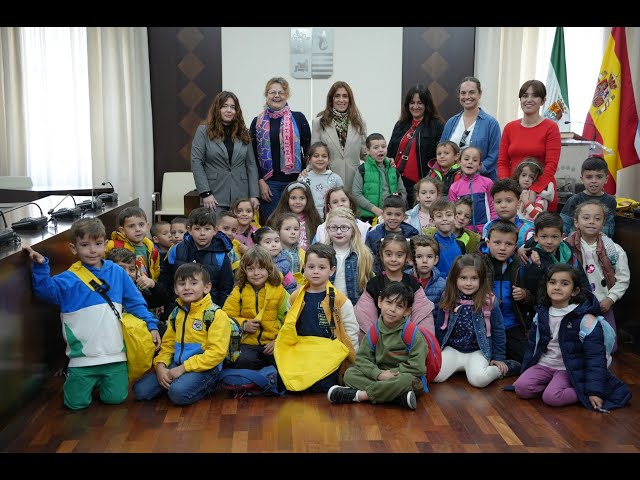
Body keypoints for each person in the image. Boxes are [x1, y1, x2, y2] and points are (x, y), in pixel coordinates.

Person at [24, 217, 161, 410]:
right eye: (85, 245)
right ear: (74, 248)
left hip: (115, 354)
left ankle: (100, 382)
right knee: (76, 404)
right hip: (82, 356)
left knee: (116, 398)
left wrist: (151, 324)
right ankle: (88, 381)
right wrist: (41, 267)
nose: (92, 250)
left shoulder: (117, 272)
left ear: (105, 245)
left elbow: (136, 302)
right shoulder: (68, 278)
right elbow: (46, 292)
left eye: (97, 244)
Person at [513, 264, 631, 412]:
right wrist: (526, 370)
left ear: (575, 291)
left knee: (552, 397)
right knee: (521, 387)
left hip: (569, 367)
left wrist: (593, 391)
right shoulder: (542, 313)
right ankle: (553, 384)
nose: (557, 287)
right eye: (552, 282)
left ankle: (580, 391)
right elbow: (532, 346)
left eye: (564, 283)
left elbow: (595, 357)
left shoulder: (585, 319)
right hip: (545, 364)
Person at [132, 263, 231, 406]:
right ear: (175, 289)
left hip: (205, 368)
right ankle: (178, 383)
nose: (187, 287)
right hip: (177, 364)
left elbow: (216, 353)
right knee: (140, 391)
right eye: (181, 283)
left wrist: (182, 369)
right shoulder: (176, 313)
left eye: (194, 283)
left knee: (177, 394)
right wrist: (160, 366)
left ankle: (210, 384)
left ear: (207, 287)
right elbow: (167, 345)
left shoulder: (216, 315)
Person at [274, 244, 359, 393]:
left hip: (328, 352)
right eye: (311, 267)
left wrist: (351, 361)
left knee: (323, 386)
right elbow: (288, 325)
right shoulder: (295, 297)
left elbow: (351, 330)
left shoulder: (340, 300)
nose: (315, 272)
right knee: (286, 383)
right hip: (301, 350)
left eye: (321, 268)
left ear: (332, 270)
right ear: (304, 267)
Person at [327, 282, 426, 410]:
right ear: (380, 302)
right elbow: (362, 360)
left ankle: (360, 395)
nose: (392, 309)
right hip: (379, 376)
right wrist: (378, 374)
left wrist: (391, 374)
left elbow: (418, 367)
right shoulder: (374, 331)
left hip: (401, 377)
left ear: (407, 311)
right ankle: (396, 397)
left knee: (407, 381)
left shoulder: (412, 333)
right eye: (389, 302)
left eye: (399, 306)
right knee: (350, 374)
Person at [432, 254, 509, 388]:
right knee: (434, 375)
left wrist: (498, 357)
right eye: (463, 278)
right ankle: (460, 367)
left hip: (478, 350)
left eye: (474, 278)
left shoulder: (489, 301)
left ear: (482, 280)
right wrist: (437, 351)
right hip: (453, 349)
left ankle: (502, 369)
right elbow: (440, 326)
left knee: (479, 380)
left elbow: (498, 329)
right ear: (454, 279)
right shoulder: (448, 297)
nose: (468, 283)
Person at [564, 200, 630, 353]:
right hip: (573, 305)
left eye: (597, 218)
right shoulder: (565, 245)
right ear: (576, 222)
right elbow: (541, 245)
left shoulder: (613, 249)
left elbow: (623, 278)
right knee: (574, 347)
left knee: (608, 346)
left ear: (603, 222)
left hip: (602, 304)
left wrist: (610, 298)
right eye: (586, 218)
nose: (591, 222)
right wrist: (524, 249)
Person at [250, 76, 311, 224]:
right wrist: (260, 182)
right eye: (272, 92)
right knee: (273, 226)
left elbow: (309, 148)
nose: (276, 96)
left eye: (281, 92)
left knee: (295, 226)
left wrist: (307, 169)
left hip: (295, 182)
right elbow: (252, 156)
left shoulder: (298, 118)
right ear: (267, 95)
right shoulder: (257, 122)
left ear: (286, 95)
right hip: (269, 186)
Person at [355, 233, 435, 343]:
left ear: (407, 257)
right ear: (381, 255)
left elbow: (423, 316)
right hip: (379, 342)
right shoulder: (374, 284)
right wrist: (375, 343)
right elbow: (365, 317)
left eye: (399, 255)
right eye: (388, 254)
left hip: (408, 342)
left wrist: (417, 343)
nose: (393, 259)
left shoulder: (413, 284)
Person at [478, 220, 537, 366]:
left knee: (528, 361)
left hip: (512, 324)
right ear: (487, 242)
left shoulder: (521, 266)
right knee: (483, 360)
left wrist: (525, 295)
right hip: (484, 325)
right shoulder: (478, 264)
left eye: (508, 244)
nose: (502, 248)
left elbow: (536, 297)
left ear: (515, 246)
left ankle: (508, 368)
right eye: (497, 243)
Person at [498, 79, 561, 212]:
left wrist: (534, 189)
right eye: (525, 96)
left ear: (543, 101)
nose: (529, 99)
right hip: (513, 193)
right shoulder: (510, 127)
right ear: (520, 100)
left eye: (535, 96)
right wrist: (509, 189)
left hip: (541, 193)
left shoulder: (551, 127)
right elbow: (502, 163)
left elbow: (551, 164)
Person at [191, 91, 260, 212]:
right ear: (217, 109)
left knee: (239, 231)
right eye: (224, 106)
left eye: (233, 107)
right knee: (216, 230)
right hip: (214, 196)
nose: (229, 110)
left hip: (241, 197)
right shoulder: (203, 131)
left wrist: (254, 194)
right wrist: (205, 193)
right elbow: (196, 162)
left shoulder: (243, 132)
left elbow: (251, 165)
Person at [222, 246, 289, 370]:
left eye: (261, 268)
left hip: (273, 342)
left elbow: (290, 320)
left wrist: (278, 341)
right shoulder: (238, 291)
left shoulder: (279, 292)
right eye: (250, 269)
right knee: (241, 361)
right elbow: (225, 318)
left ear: (269, 269)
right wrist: (243, 325)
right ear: (244, 271)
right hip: (247, 343)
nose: (256, 273)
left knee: (287, 363)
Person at [158, 206, 234, 311]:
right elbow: (166, 280)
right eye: (197, 228)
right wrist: (163, 302)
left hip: (209, 309)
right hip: (179, 307)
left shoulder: (220, 255)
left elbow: (226, 287)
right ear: (189, 230)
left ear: (215, 230)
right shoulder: (176, 250)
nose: (202, 233)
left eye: (207, 229)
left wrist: (219, 310)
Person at [387, 84, 445, 207]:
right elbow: (390, 152)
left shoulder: (436, 126)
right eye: (412, 102)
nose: (415, 106)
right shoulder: (400, 124)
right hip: (397, 183)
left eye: (420, 103)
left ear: (426, 104)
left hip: (420, 185)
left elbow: (440, 157)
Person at [440, 76, 501, 180]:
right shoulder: (450, 123)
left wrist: (472, 169)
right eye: (463, 93)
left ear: (479, 94)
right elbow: (442, 150)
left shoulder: (491, 124)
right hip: (452, 181)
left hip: (480, 182)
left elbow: (494, 155)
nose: (467, 96)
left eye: (472, 92)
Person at [310, 80, 367, 191]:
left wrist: (384, 160)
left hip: (354, 182)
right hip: (327, 181)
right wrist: (307, 170)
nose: (341, 100)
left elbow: (364, 153)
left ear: (350, 100)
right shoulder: (319, 122)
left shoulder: (359, 123)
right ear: (331, 100)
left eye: (345, 96)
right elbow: (314, 153)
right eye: (337, 96)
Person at [323, 207, 374, 306]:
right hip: (327, 307)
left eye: (344, 227)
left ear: (353, 230)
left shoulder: (363, 255)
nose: (338, 232)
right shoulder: (322, 254)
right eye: (333, 227)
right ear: (327, 229)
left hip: (354, 307)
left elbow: (368, 284)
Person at [352, 132, 407, 222]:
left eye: (383, 146)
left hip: (391, 217)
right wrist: (374, 209)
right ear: (367, 151)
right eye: (376, 148)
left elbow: (402, 192)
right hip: (368, 217)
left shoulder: (393, 168)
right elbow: (356, 194)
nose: (380, 150)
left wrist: (395, 208)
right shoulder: (362, 170)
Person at [560, 156, 617, 239]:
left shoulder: (610, 201)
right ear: (582, 179)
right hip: (574, 245)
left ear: (606, 179)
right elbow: (563, 228)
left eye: (599, 177)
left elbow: (609, 229)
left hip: (600, 245)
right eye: (589, 177)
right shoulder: (573, 200)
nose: (594, 181)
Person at [365, 195, 419, 275]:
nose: (393, 218)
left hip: (405, 277)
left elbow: (413, 259)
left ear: (404, 217)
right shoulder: (373, 235)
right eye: (389, 214)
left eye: (397, 215)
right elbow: (368, 259)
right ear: (383, 215)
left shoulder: (411, 235)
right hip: (380, 278)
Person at [104, 206, 161, 282]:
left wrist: (152, 283)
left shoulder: (152, 250)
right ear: (122, 230)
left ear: (147, 226)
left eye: (141, 225)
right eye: (131, 226)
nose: (137, 229)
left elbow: (156, 271)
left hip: (144, 289)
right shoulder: (113, 245)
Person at [447, 146, 496, 234]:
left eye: (475, 160)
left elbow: (492, 205)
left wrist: (493, 224)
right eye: (466, 159)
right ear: (459, 162)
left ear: (479, 165)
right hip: (464, 231)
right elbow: (452, 211)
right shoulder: (454, 187)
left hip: (485, 229)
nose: (470, 162)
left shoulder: (487, 183)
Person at [267, 180, 322, 251]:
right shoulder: (276, 219)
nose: (297, 202)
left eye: (302, 198)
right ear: (286, 199)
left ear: (308, 200)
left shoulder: (314, 219)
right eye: (293, 198)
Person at [481, 178, 534, 248]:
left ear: (518, 204)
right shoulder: (488, 227)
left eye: (509, 201)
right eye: (498, 202)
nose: (503, 206)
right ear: (493, 204)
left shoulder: (528, 231)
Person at [298, 141, 343, 219]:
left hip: (331, 219)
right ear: (309, 159)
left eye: (324, 156)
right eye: (316, 156)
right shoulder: (303, 178)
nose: (320, 159)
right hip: (308, 219)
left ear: (329, 159)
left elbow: (341, 200)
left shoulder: (336, 179)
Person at [410, 235, 447, 323]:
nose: (424, 261)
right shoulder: (403, 280)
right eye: (419, 256)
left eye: (429, 257)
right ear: (410, 259)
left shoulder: (443, 285)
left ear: (435, 260)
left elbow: (442, 316)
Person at [253, 226, 297, 295]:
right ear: (258, 245)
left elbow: (291, 286)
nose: (274, 245)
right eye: (268, 242)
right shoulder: (252, 262)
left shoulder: (283, 264)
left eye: (276, 241)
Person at [428, 198, 466, 278]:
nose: (444, 219)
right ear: (432, 221)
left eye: (448, 215)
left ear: (455, 218)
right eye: (439, 216)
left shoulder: (460, 245)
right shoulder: (430, 245)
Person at [512, 157, 554, 222]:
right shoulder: (513, 193)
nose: (526, 179)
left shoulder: (539, 198)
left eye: (531, 177)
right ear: (518, 176)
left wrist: (526, 201)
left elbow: (537, 217)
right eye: (523, 175)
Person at [274, 212, 305, 284]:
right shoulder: (274, 252)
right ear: (278, 231)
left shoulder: (302, 253)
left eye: (296, 229)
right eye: (287, 229)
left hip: (299, 288)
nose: (293, 232)